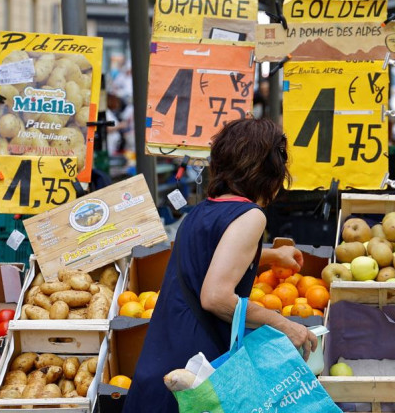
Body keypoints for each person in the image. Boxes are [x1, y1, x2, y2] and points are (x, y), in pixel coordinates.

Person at [123, 118, 317, 412]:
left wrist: (272, 257)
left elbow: (210, 258)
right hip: (195, 375)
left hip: (161, 362)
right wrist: (284, 324)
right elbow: (215, 297)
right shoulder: (251, 215)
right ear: (270, 169)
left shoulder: (199, 212)